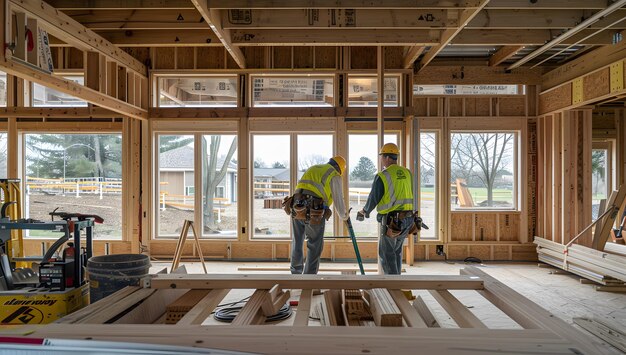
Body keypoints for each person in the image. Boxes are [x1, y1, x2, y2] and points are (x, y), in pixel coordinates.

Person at [356, 143, 414, 275]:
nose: (381, 159)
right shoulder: (407, 173)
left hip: (392, 222)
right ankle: (397, 282)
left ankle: (392, 287)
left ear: (387, 158)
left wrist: (364, 211)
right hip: (408, 219)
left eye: (382, 156)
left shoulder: (383, 175)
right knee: (396, 252)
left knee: (387, 254)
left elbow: (374, 197)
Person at [288, 156, 349, 274]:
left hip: (296, 205)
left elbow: (305, 189)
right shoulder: (334, 174)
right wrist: (345, 216)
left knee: (297, 240)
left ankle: (295, 275)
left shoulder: (314, 168)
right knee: (315, 244)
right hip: (314, 209)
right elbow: (338, 200)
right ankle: (309, 279)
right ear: (339, 168)